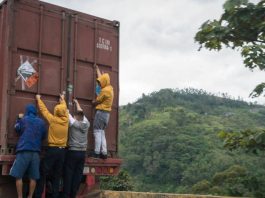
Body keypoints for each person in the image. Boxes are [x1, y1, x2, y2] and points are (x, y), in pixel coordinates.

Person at [34, 94, 69, 198]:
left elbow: (43, 110)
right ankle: (55, 195)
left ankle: (38, 194)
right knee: (57, 174)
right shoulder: (66, 120)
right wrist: (62, 99)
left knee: (43, 171)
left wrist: (38, 99)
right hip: (62, 151)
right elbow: (65, 108)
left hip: (52, 150)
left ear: (56, 111)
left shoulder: (53, 120)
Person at [10, 104, 46, 198]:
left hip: (23, 151)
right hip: (36, 153)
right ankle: (30, 196)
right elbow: (44, 135)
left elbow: (17, 128)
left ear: (27, 111)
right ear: (35, 112)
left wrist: (18, 119)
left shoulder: (24, 120)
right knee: (33, 177)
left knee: (18, 175)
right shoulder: (41, 122)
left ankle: (20, 196)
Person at [62, 99, 90, 198]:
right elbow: (81, 111)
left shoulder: (74, 124)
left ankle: (66, 195)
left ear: (77, 118)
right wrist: (77, 103)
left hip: (73, 152)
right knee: (78, 175)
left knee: (68, 174)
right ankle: (73, 195)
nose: (73, 117)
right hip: (82, 154)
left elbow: (66, 112)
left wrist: (62, 99)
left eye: (75, 116)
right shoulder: (86, 123)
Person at [92, 65, 114, 159]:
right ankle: (104, 153)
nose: (100, 84)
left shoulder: (104, 91)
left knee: (97, 131)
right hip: (107, 114)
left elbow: (97, 101)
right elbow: (102, 79)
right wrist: (97, 70)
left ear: (104, 81)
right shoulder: (110, 88)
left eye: (101, 82)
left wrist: (93, 102)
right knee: (102, 132)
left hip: (101, 112)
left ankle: (96, 152)